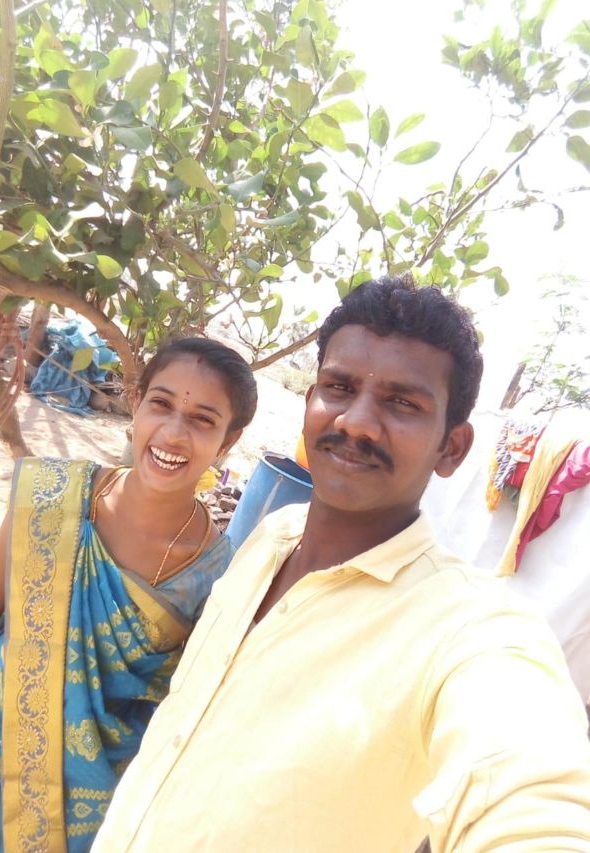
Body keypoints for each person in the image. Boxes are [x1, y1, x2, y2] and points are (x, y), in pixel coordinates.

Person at [94, 275, 590, 852]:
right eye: (339, 387)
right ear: (309, 403)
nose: (355, 421)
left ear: (451, 448)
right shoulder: (270, 540)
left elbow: (533, 803)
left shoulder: (472, 633)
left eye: (402, 403)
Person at [0, 336, 257, 852]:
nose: (173, 432)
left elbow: (178, 716)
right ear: (136, 402)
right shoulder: (52, 495)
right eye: (161, 404)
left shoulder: (217, 576)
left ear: (229, 439)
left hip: (78, 809)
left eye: (203, 420)